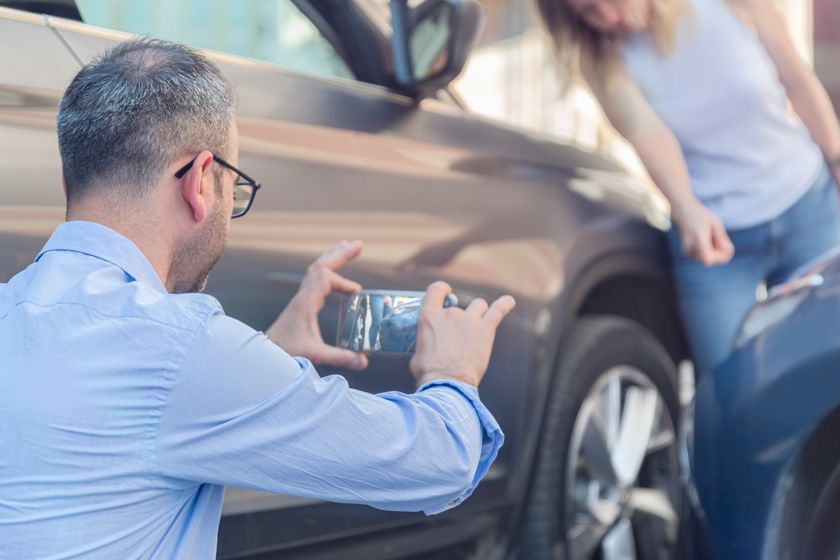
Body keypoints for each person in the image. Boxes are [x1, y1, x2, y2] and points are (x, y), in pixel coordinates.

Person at [0, 38, 516, 558]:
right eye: (234, 186)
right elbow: (436, 463)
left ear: (69, 180)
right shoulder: (181, 349)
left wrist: (273, 353)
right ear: (200, 181)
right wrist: (453, 374)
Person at [537, 0, 840, 377]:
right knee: (727, 387)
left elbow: (798, 81)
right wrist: (686, 208)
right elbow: (648, 133)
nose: (608, 17)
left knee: (827, 365)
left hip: (807, 208)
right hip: (713, 242)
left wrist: (836, 161)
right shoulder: (603, 60)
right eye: (588, 12)